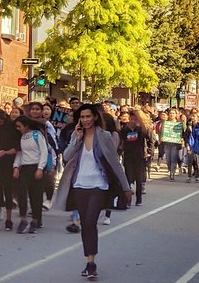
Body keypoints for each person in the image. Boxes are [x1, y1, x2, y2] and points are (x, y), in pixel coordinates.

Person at [52, 104, 133, 281]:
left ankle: (91, 263)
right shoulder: (77, 134)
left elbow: (114, 162)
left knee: (89, 222)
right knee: (86, 224)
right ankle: (90, 261)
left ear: (95, 117)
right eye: (82, 117)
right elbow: (66, 156)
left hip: (99, 185)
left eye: (89, 116)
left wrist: (126, 187)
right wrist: (77, 139)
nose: (86, 120)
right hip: (80, 184)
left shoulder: (104, 136)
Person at [12, 115, 51, 234]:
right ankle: (23, 218)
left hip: (36, 166)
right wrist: (16, 166)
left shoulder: (37, 135)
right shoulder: (21, 137)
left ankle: (35, 220)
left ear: (26, 125)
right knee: (22, 194)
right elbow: (20, 153)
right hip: (24, 168)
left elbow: (44, 152)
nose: (18, 129)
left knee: (36, 196)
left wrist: (40, 168)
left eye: (19, 126)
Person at [119, 109, 153, 206]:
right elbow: (121, 141)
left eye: (135, 119)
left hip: (139, 156)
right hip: (128, 157)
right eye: (131, 119)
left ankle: (139, 199)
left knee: (139, 179)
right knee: (129, 178)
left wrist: (149, 152)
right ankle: (128, 201)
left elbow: (149, 137)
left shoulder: (141, 130)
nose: (133, 121)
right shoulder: (125, 129)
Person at [160, 108, 185, 181]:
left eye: (173, 113)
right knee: (168, 159)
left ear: (176, 115)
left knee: (173, 158)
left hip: (175, 144)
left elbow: (183, 133)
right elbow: (161, 131)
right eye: (170, 113)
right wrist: (161, 137)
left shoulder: (179, 123)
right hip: (167, 143)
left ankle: (172, 173)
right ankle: (169, 169)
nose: (172, 115)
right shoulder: (165, 123)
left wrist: (182, 139)